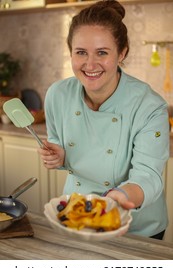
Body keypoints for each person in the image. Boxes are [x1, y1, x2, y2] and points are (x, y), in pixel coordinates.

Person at [38, 0, 169, 239]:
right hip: (77, 215)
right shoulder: (57, 94)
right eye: (81, 52)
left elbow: (149, 175)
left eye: (102, 52)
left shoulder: (149, 106)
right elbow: (61, 145)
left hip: (135, 228)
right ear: (70, 53)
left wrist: (121, 197)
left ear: (122, 53)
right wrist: (58, 156)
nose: (90, 64)